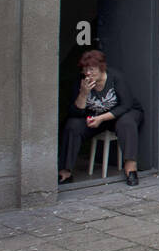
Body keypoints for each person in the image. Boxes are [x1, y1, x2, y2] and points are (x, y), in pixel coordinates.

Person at [58, 50, 143, 186]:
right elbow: (76, 112)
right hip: (96, 117)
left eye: (91, 69)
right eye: (85, 69)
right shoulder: (81, 82)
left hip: (121, 114)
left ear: (101, 67)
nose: (88, 73)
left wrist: (101, 118)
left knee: (126, 122)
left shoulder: (115, 77)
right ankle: (65, 171)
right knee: (72, 124)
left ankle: (130, 168)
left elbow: (126, 105)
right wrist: (83, 93)